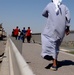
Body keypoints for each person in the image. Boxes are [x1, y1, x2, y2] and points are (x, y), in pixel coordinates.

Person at [41, 0, 71, 71]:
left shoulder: (49, 5)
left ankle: (52, 61)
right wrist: (67, 28)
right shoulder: (65, 7)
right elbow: (68, 18)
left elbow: (43, 13)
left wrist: (50, 15)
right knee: (56, 45)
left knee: (45, 37)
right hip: (61, 30)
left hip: (51, 29)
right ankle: (55, 61)